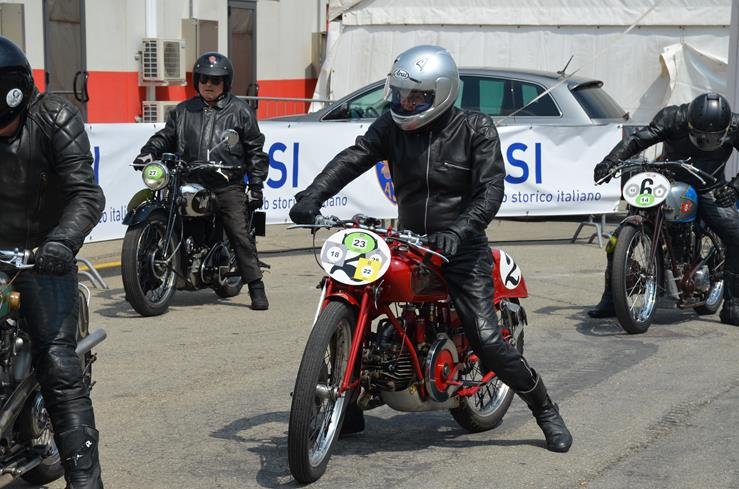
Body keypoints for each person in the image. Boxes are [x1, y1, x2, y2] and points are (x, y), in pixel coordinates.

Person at [289, 45, 573, 452]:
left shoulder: (475, 128)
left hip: (462, 248)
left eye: (416, 97)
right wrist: (312, 195)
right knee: (358, 295)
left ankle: (544, 408)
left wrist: (459, 230)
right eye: (400, 94)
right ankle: (349, 401)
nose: (405, 103)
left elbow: (490, 190)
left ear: (442, 93)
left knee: (486, 340)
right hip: (408, 242)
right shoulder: (390, 126)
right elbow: (355, 157)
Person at [0, 36, 105, 487]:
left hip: (40, 257)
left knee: (59, 365)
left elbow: (86, 193)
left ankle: (85, 480)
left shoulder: (55, 118)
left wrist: (61, 243)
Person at [133, 51, 270, 310]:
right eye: (204, 79)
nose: (209, 84)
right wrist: (149, 152)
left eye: (215, 80)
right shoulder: (183, 110)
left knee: (239, 231)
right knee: (167, 210)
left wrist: (256, 185)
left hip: (226, 182)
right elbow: (166, 137)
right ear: (197, 80)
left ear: (225, 83)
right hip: (189, 178)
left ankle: (256, 286)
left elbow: (255, 150)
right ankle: (152, 279)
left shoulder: (239, 111)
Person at [590, 92, 739, 325]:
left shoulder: (735, 125)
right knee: (619, 237)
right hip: (667, 179)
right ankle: (612, 298)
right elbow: (638, 140)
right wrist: (610, 161)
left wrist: (734, 187)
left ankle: (733, 302)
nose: (707, 141)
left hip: (710, 185)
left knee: (736, 234)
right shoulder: (672, 118)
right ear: (689, 124)